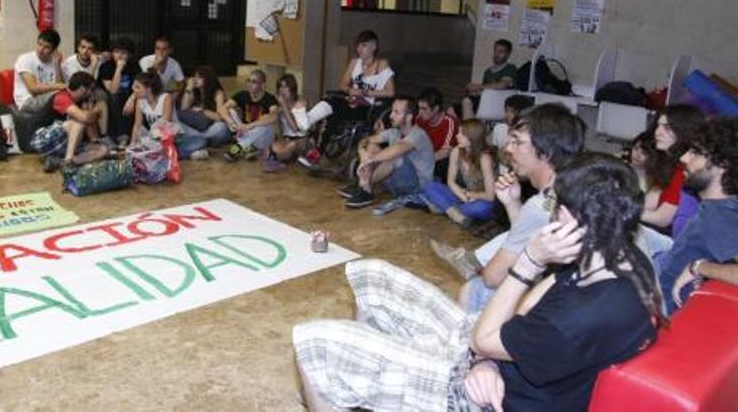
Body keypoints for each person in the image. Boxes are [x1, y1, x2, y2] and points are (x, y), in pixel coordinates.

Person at [293, 153, 661, 412]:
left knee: (315, 342)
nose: (550, 213)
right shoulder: (616, 253)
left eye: (554, 206)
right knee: (370, 274)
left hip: (481, 399)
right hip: (495, 357)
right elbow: (528, 309)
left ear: (573, 216)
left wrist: (529, 262)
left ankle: (361, 379)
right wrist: (487, 359)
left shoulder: (587, 314)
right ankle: (369, 389)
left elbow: (484, 337)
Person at [458, 103, 585, 312]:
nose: (508, 149)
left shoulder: (542, 204)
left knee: (475, 290)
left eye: (517, 142)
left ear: (546, 152)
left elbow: (492, 277)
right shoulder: (576, 182)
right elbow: (529, 236)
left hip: (571, 307)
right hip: (600, 300)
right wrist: (512, 204)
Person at [654, 117, 738, 314]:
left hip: (652, 310)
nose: (683, 159)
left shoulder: (719, 215)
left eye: (695, 153)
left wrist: (699, 267)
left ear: (722, 164)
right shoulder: (719, 207)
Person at [298, 30, 395, 169]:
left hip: (366, 106)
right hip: (350, 100)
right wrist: (351, 90)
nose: (359, 49)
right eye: (358, 45)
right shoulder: (355, 62)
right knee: (331, 100)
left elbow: (391, 92)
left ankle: (317, 151)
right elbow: (343, 84)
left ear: (374, 46)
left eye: (364, 45)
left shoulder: (382, 64)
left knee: (336, 113)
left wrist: (367, 92)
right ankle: (308, 120)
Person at [338, 96, 434, 210]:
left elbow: (398, 149)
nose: (390, 116)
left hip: (416, 188)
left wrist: (369, 160)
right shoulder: (394, 132)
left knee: (394, 157)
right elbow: (366, 140)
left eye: (396, 112)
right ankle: (364, 188)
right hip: (397, 185)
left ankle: (364, 186)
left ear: (409, 117)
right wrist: (362, 152)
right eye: (392, 111)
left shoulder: (419, 135)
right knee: (372, 146)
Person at [641, 104, 706, 236]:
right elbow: (648, 204)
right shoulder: (666, 163)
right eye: (658, 125)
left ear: (684, 131)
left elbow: (662, 219)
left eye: (667, 127)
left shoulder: (685, 169)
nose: (657, 132)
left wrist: (621, 211)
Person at [421, 119, 497, 226]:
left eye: (462, 134)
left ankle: (446, 207)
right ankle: (453, 213)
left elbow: (490, 195)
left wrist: (469, 194)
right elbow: (450, 181)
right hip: (464, 196)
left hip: (482, 199)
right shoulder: (456, 151)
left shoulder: (484, 158)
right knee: (429, 186)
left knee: (479, 208)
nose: (457, 136)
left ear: (472, 138)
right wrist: (464, 197)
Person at [28, 72, 101, 171]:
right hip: (41, 139)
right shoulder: (62, 97)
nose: (91, 93)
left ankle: (58, 162)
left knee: (102, 150)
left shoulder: (82, 102)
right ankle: (68, 161)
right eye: (90, 89)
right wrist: (95, 111)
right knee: (78, 121)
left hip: (61, 142)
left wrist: (97, 143)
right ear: (83, 89)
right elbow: (84, 118)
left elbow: (93, 137)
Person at [129, 72, 208, 160]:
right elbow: (137, 126)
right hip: (156, 139)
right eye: (134, 86)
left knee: (202, 141)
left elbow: (165, 124)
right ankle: (188, 154)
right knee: (154, 150)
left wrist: (151, 142)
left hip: (174, 138)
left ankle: (169, 154)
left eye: (137, 87)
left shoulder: (166, 98)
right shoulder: (140, 101)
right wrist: (132, 146)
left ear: (148, 88)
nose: (133, 89)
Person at [220, 69, 279, 162]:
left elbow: (274, 117)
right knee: (230, 111)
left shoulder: (270, 99)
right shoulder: (242, 95)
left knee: (265, 120)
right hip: (244, 132)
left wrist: (252, 125)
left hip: (262, 136)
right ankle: (249, 148)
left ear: (262, 85)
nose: (250, 84)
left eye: (254, 82)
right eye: (248, 80)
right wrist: (232, 124)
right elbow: (222, 108)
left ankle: (238, 147)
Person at [61, 34, 111, 139]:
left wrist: (105, 55)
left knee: (101, 98)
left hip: (89, 93)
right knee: (87, 104)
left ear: (94, 51)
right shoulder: (69, 63)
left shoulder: (98, 60)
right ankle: (94, 139)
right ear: (78, 48)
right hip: (75, 93)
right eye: (82, 47)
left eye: (89, 49)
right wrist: (93, 66)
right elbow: (84, 87)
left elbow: (109, 56)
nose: (85, 51)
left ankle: (104, 137)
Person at [98, 37, 142, 147]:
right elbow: (112, 90)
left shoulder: (134, 66)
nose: (120, 56)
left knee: (139, 100)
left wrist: (132, 99)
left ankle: (130, 136)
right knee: (114, 97)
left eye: (124, 53)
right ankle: (123, 136)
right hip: (111, 99)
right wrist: (118, 69)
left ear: (129, 55)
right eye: (116, 52)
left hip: (129, 97)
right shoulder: (106, 66)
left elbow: (141, 86)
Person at [262, 74, 311, 173]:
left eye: (285, 87)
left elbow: (295, 129)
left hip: (301, 140)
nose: (282, 90)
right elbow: (280, 131)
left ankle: (278, 158)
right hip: (287, 139)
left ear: (292, 88)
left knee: (291, 145)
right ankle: (276, 158)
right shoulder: (279, 105)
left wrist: (284, 106)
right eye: (280, 87)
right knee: (268, 150)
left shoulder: (300, 103)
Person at [462, 39, 518, 119]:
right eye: (495, 50)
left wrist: (478, 87)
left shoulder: (510, 68)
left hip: (499, 103)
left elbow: (503, 84)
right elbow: (484, 90)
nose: (496, 54)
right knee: (452, 109)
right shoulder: (488, 71)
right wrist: (474, 90)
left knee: (467, 102)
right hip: (485, 100)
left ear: (508, 54)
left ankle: (471, 129)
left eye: (501, 52)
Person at [177, 65, 231, 147]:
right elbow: (183, 109)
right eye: (194, 77)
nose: (195, 79)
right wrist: (188, 89)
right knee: (178, 123)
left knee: (221, 127)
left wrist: (202, 110)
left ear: (208, 79)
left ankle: (199, 140)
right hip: (199, 130)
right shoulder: (194, 92)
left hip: (212, 128)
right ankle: (203, 140)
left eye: (199, 77)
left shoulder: (218, 93)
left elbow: (220, 117)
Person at [13, 29, 65, 112]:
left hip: (47, 99)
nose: (41, 49)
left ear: (54, 50)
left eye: (47, 47)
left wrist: (57, 65)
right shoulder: (25, 59)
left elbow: (60, 86)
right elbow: (33, 89)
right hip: (28, 100)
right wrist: (58, 86)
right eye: (40, 44)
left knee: (68, 97)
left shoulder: (55, 62)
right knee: (63, 100)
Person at [416, 87, 458, 182]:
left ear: (435, 109)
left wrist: (420, 162)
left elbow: (444, 152)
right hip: (426, 158)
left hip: (443, 161)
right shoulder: (419, 119)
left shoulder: (449, 122)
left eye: (424, 109)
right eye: (419, 108)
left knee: (444, 162)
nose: (420, 112)